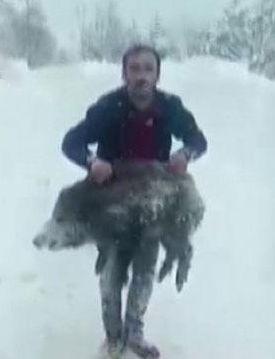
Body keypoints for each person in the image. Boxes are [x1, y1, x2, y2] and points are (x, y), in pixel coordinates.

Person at [62, 44, 208, 358]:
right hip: (111, 203)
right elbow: (71, 142)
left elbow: (198, 139)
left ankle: (135, 334)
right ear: (124, 73)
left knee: (144, 270)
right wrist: (92, 162)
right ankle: (114, 339)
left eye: (148, 69)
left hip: (153, 202)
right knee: (112, 271)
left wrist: (185, 154)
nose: (141, 75)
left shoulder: (169, 107)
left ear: (157, 75)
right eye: (134, 68)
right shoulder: (108, 107)